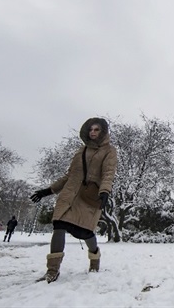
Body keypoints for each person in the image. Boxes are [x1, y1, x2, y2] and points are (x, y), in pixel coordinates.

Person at [30, 117, 117, 283]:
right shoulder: (81, 151)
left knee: (86, 232)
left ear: (103, 131)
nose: (93, 132)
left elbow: (108, 173)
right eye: (90, 129)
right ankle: (52, 270)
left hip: (89, 197)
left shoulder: (109, 151)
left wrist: (105, 191)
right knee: (59, 225)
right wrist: (48, 190)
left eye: (96, 129)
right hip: (69, 195)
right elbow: (69, 175)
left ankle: (94, 258)